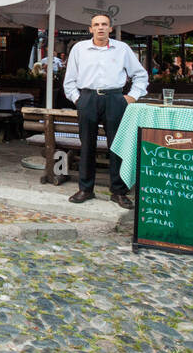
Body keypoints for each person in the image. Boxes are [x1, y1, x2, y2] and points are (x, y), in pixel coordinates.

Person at [63, 13, 149, 208]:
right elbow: (69, 81)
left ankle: (118, 192)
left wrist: (131, 97)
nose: (100, 28)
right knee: (86, 146)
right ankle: (85, 189)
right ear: (90, 29)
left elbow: (140, 75)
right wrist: (79, 100)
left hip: (114, 98)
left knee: (116, 146)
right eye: (96, 24)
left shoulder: (122, 49)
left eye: (104, 24)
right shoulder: (79, 49)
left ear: (111, 28)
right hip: (88, 98)